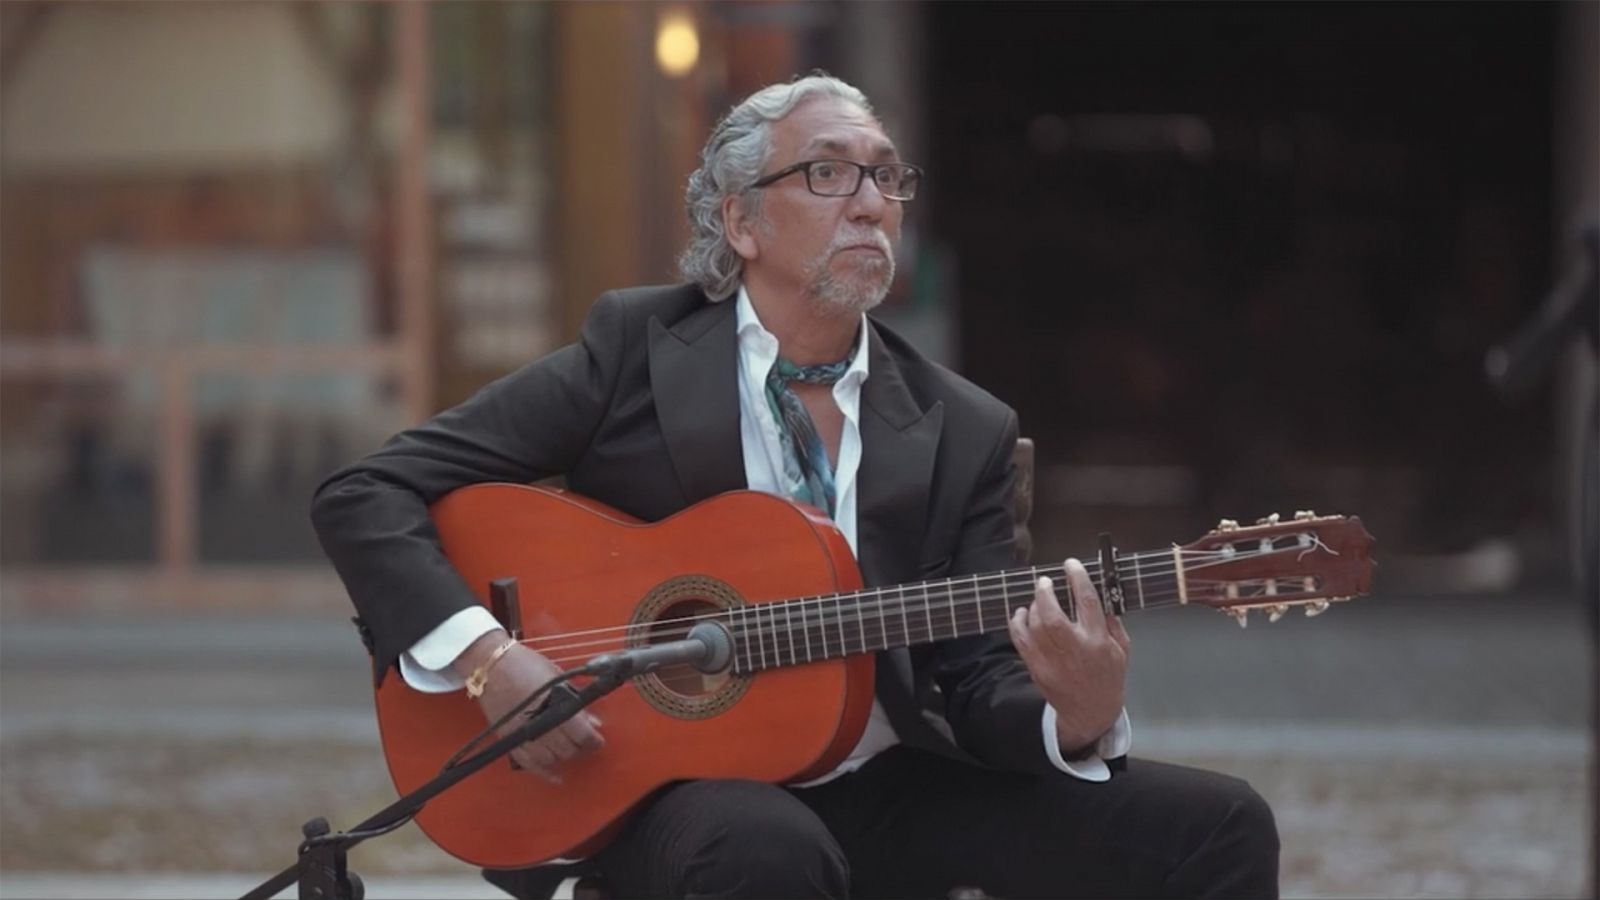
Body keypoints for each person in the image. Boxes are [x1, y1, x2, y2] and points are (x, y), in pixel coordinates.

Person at [311, 73, 1278, 899]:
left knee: (1219, 824)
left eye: (886, 176)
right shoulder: (634, 354)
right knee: (766, 850)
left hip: (892, 785)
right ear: (741, 222)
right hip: (660, 788)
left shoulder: (963, 426)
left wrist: (1078, 712)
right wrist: (491, 663)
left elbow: (978, 680)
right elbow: (366, 493)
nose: (870, 202)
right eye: (828, 172)